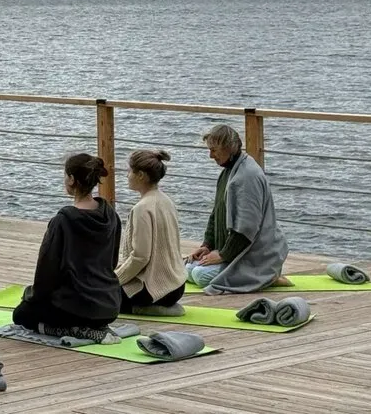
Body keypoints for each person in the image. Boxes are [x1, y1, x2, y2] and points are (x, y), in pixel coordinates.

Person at [12, 153, 121, 343]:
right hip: (109, 304)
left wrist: (33, 297)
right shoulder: (111, 215)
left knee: (22, 314)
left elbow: (46, 271)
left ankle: (76, 330)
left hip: (74, 306)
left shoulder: (63, 221)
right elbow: (112, 261)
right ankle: (95, 325)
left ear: (71, 179)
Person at [188, 123, 289, 294]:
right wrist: (207, 246)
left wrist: (223, 255)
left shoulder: (247, 177)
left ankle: (266, 276)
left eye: (214, 150)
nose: (210, 156)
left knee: (199, 275)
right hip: (231, 251)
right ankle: (262, 277)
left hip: (254, 257)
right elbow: (216, 213)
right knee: (188, 269)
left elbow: (246, 228)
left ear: (229, 148)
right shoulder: (227, 172)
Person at [115, 149, 185, 313]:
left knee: (97, 297)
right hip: (176, 285)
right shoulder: (166, 200)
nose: (127, 175)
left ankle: (145, 308)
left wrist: (115, 280)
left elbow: (140, 257)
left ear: (141, 175)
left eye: (129, 171)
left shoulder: (142, 209)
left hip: (154, 290)